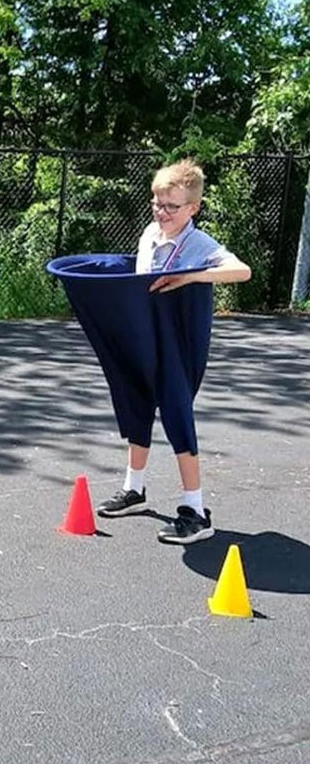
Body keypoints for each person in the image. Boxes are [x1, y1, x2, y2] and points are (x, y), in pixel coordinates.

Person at [95, 157, 251, 543]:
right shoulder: (150, 234)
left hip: (179, 346)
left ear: (193, 208)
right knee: (137, 406)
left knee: (177, 416)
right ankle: (135, 489)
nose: (161, 212)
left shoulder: (199, 244)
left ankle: (196, 511)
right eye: (156, 203)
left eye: (171, 206)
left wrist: (193, 276)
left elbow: (241, 270)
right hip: (145, 337)